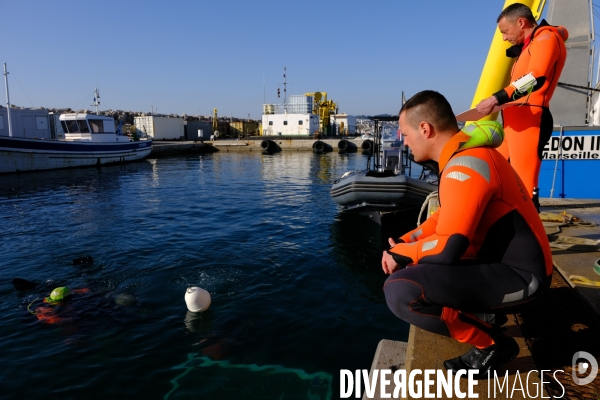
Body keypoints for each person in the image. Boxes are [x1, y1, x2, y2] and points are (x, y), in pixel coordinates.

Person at [383, 90, 553, 378]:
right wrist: (406, 241)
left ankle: (492, 345)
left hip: (524, 278)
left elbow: (449, 248)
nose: (404, 142)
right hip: (505, 265)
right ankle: (485, 314)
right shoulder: (466, 156)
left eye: (406, 134)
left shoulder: (466, 165)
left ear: (425, 129)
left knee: (401, 290)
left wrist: (403, 254)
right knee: (419, 263)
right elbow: (443, 218)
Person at [475, 3, 568, 210]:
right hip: (514, 123)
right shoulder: (530, 45)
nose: (504, 38)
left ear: (521, 22)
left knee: (525, 188)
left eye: (505, 32)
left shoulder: (546, 39)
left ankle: (532, 238)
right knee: (498, 176)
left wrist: (497, 98)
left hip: (531, 121)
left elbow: (536, 76)